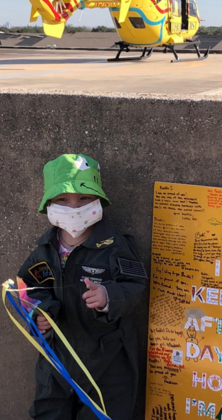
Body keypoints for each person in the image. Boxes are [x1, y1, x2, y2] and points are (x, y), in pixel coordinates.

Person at [17, 154, 147, 420]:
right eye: (63, 200)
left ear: (98, 200)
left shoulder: (115, 246)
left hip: (106, 360)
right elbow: (25, 287)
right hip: (56, 359)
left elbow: (135, 283)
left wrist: (108, 295)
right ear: (49, 204)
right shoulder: (45, 250)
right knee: (49, 412)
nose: (74, 207)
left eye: (84, 198)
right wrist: (39, 312)